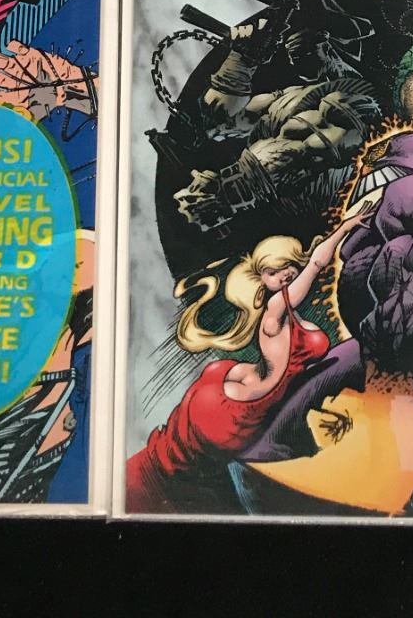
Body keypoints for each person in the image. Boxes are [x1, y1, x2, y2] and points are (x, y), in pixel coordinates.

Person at [125, 212, 365, 513]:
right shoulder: (275, 312)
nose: (284, 275)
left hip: (239, 386)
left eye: (287, 267)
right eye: (274, 271)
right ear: (263, 278)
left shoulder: (288, 314)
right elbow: (316, 264)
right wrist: (344, 228)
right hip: (240, 408)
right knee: (175, 465)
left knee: (177, 463)